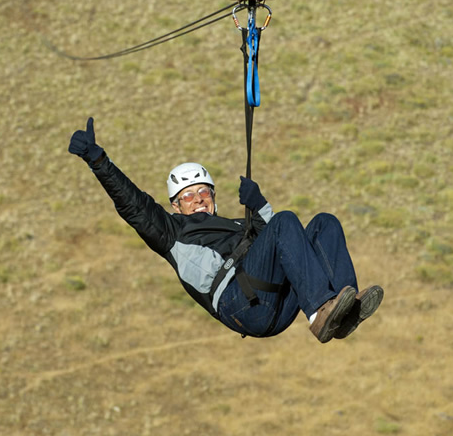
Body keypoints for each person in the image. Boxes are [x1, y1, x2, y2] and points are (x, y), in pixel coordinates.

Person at [68, 117, 383, 343]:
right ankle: (320, 313)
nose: (199, 199)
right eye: (188, 196)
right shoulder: (171, 233)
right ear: (176, 206)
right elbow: (133, 205)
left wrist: (257, 204)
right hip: (242, 304)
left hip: (273, 298)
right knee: (286, 220)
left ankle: (345, 311)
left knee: (324, 224)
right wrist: (99, 161)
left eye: (204, 191)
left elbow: (282, 242)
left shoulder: (234, 227)